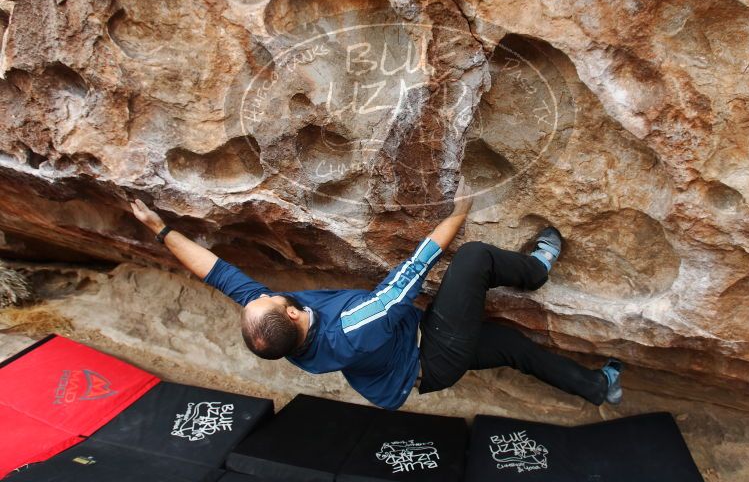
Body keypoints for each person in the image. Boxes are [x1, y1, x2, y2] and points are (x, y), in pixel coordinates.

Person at [130, 177, 622, 410]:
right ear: (294, 315)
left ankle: (599, 387)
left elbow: (218, 274)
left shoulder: (277, 329)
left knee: (512, 347)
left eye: (259, 297)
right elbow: (412, 272)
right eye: (269, 297)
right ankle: (537, 270)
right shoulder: (353, 327)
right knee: (474, 258)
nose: (261, 294)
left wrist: (160, 230)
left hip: (411, 352)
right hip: (430, 356)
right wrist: (458, 212)